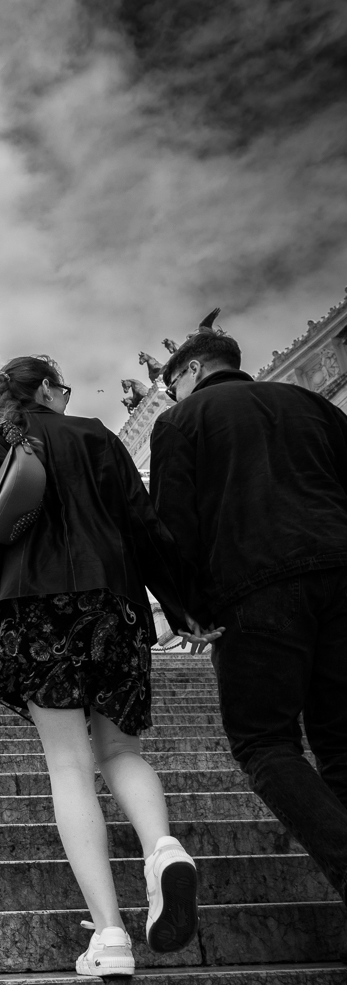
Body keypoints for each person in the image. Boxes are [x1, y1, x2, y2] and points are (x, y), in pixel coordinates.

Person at [0, 354, 215, 979]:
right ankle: (162, 849)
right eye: (63, 387)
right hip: (112, 602)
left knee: (68, 763)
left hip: (30, 607)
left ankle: (111, 936)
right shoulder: (93, 433)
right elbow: (144, 525)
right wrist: (181, 606)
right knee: (121, 752)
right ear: (52, 391)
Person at [150, 326, 347, 924]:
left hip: (253, 587)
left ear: (188, 374)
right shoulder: (310, 404)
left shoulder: (182, 421)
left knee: (265, 742)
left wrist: (186, 609)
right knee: (342, 744)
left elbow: (171, 525)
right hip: (342, 573)